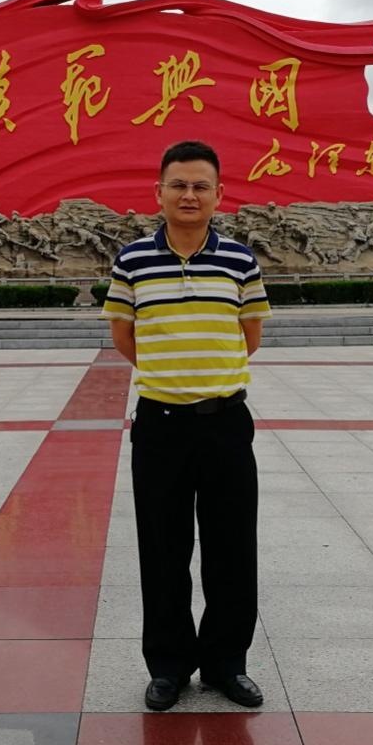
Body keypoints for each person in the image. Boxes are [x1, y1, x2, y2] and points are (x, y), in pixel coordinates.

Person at [101, 140, 271, 711]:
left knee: (232, 547)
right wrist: (169, 375)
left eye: (201, 186)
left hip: (226, 423)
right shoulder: (132, 261)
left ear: (220, 195)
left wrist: (207, 375)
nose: (189, 195)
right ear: (159, 193)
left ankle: (227, 664)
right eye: (179, 185)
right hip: (160, 425)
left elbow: (250, 335)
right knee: (163, 548)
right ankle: (168, 666)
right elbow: (123, 335)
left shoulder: (240, 261)